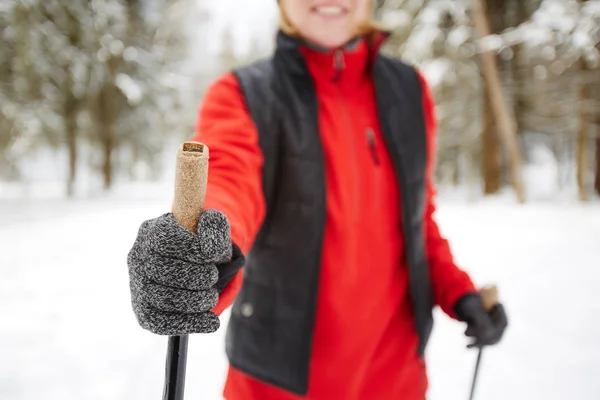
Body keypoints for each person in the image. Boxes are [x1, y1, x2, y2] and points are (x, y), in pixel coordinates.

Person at [127, 0, 509, 399]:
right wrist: (204, 245)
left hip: (396, 380)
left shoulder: (409, 91)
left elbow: (417, 220)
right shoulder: (243, 94)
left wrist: (460, 294)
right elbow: (228, 179)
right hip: (275, 384)